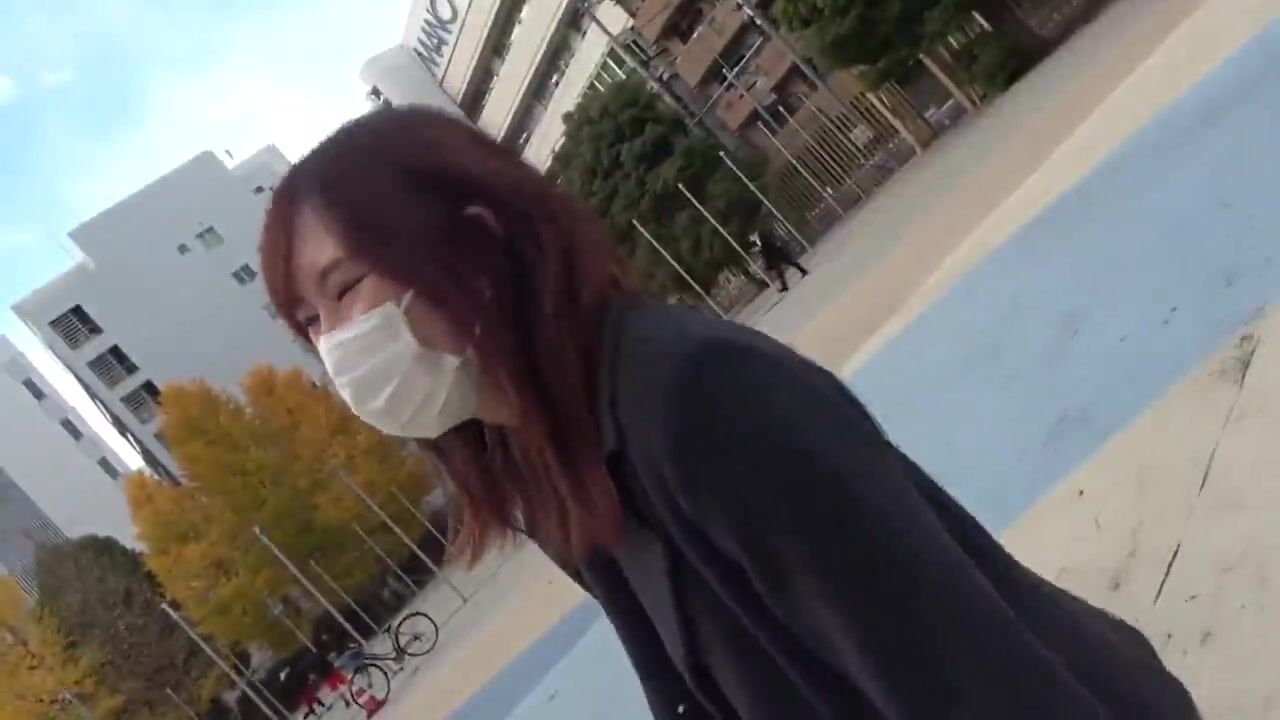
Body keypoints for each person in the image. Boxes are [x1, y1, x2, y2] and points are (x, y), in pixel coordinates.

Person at [260, 107, 1199, 719]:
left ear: (475, 244)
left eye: (346, 288)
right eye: (310, 322)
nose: (337, 342)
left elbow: (963, 678)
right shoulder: (539, 463)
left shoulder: (694, 398)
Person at [752, 225, 809, 292]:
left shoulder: (762, 234)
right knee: (782, 268)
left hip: (776, 252)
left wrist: (764, 252)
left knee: (787, 264)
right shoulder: (762, 234)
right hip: (776, 251)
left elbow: (768, 244)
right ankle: (786, 285)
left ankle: (802, 272)